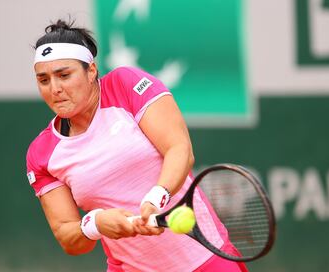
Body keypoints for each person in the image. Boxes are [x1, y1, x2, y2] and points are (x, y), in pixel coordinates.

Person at [26, 19, 249, 272]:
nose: (55, 89)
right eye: (43, 80)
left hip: (205, 259)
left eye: (64, 75)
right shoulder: (42, 153)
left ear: (91, 71)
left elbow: (179, 149)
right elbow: (69, 237)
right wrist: (95, 224)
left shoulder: (126, 84)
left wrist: (156, 198)